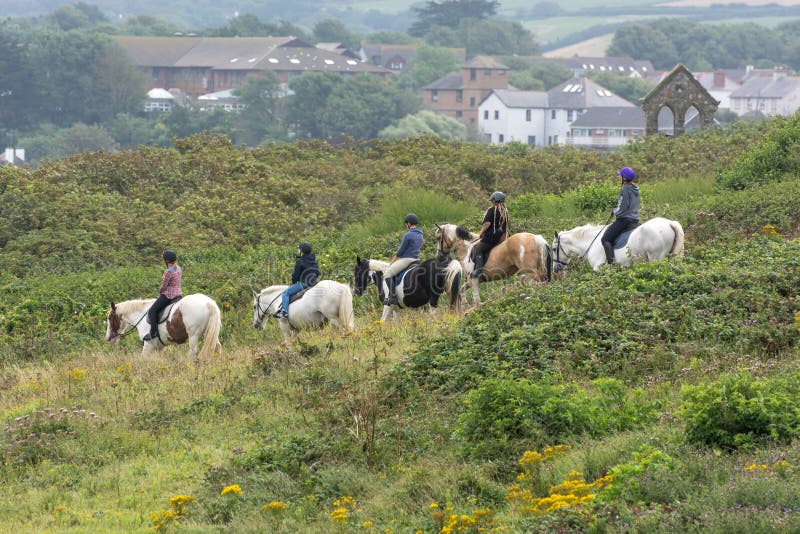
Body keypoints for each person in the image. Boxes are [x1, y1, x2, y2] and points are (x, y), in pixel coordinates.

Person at [602, 167, 640, 265]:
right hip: (634, 220)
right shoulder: (635, 189)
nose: (621, 177)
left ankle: (612, 265)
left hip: (624, 220)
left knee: (605, 239)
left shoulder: (625, 189)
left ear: (624, 178)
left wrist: (614, 211)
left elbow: (623, 208)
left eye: (621, 176)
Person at [143, 250, 183, 342]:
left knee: (152, 311)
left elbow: (163, 286)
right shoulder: (178, 268)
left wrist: (160, 291)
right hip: (178, 295)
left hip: (169, 296)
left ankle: (153, 332)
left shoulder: (168, 271)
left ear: (166, 260)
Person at [383, 213, 423, 305]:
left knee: (387, 274)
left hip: (407, 260)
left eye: (406, 223)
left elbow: (400, 252)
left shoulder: (408, 235)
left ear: (409, 223)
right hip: (416, 260)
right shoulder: (421, 235)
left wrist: (391, 262)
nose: (406, 225)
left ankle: (393, 297)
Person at [274, 242, 320, 319]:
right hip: (314, 283)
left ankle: (284, 312)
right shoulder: (314, 260)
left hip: (304, 284)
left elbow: (296, 275)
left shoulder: (300, 261)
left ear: (302, 251)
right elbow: (317, 273)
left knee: (286, 293)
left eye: (299, 249)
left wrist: (294, 283)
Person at [472, 191, 509, 279]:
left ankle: (478, 271)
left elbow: (487, 224)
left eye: (492, 200)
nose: (492, 202)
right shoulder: (505, 211)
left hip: (492, 237)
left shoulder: (492, 210)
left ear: (496, 200)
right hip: (503, 237)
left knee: (478, 249)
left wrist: (481, 233)